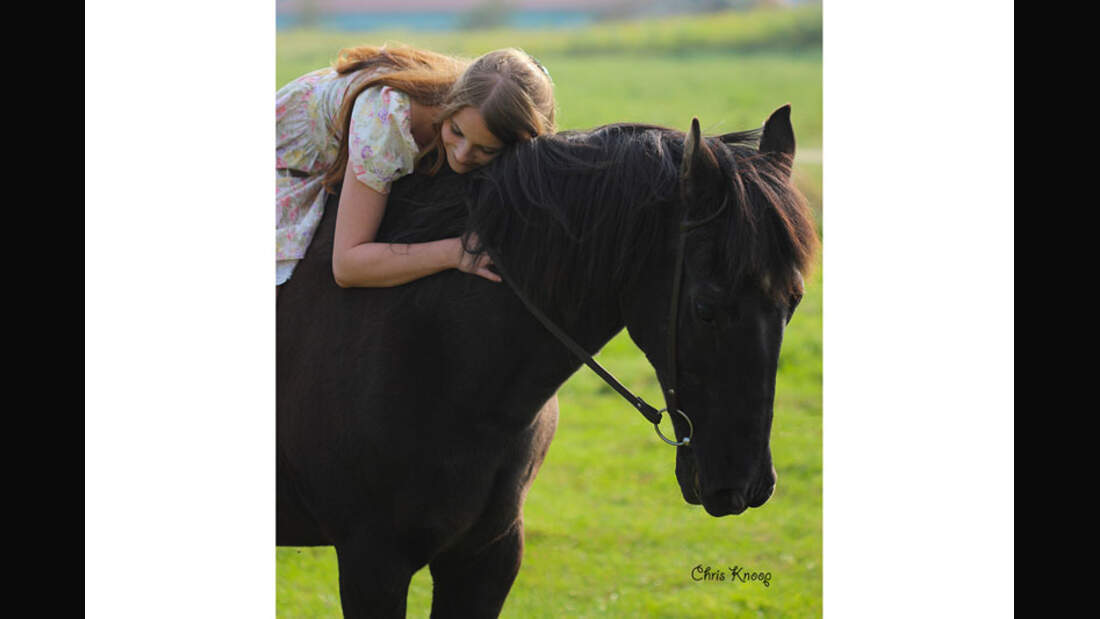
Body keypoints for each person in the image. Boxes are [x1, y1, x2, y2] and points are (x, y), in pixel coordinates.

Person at [276, 45, 556, 288]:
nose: (461, 155)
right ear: (450, 104)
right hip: (287, 155)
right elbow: (348, 266)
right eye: (456, 131)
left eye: (486, 149)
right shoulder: (387, 122)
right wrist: (454, 253)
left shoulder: (476, 108)